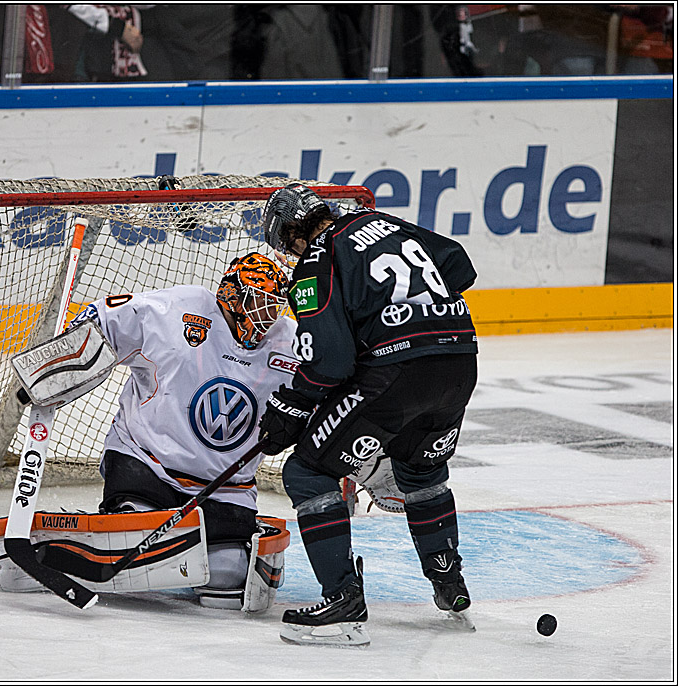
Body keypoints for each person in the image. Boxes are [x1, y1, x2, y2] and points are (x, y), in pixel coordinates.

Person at [256, 184, 479, 646]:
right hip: (459, 360)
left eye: (287, 244)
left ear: (294, 232)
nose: (291, 253)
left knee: (307, 471)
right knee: (421, 469)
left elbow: (331, 363)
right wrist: (412, 312)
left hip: (398, 374)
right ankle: (449, 583)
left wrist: (291, 406)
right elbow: (459, 263)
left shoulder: (316, 259)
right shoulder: (385, 224)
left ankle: (341, 600)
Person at [69, 252, 295, 609]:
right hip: (147, 463)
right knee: (136, 553)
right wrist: (66, 358)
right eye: (259, 303)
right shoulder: (179, 309)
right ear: (232, 295)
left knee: (227, 577)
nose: (268, 316)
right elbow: (103, 319)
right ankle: (125, 519)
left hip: (226, 488)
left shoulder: (291, 343)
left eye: (275, 306)